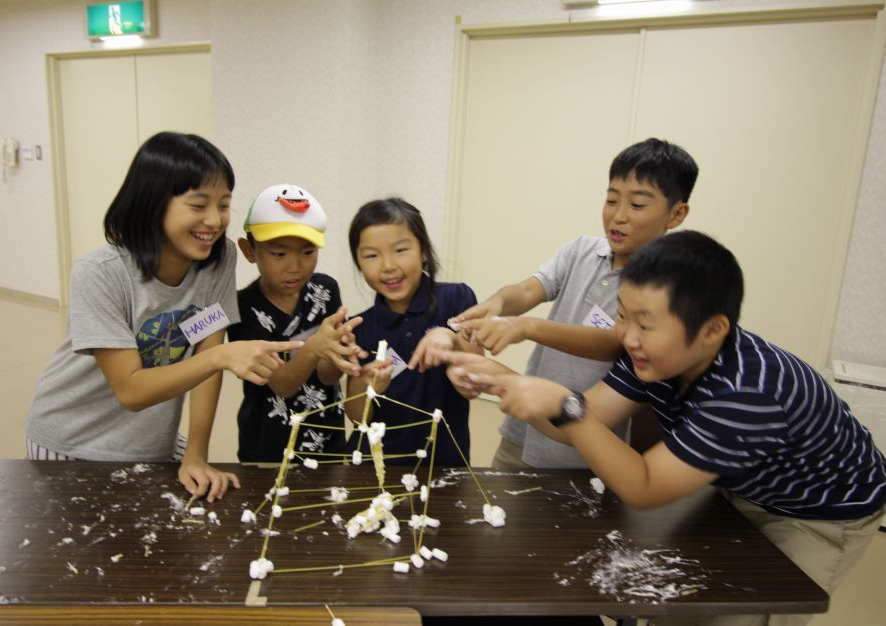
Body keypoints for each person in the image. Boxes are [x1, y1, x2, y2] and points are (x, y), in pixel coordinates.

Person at [446, 230, 886, 626]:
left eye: (646, 324)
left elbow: (644, 484)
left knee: (743, 614)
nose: (628, 337)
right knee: (681, 604)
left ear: (713, 329)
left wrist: (564, 405)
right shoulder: (653, 355)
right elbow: (585, 419)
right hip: (742, 485)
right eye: (623, 317)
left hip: (820, 512)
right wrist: (497, 377)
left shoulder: (746, 395)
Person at [25, 132, 299, 502]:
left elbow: (207, 361)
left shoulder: (218, 261)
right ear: (153, 204)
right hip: (70, 445)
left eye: (223, 204)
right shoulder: (101, 273)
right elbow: (132, 390)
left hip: (152, 444)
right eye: (198, 205)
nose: (214, 221)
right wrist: (219, 357)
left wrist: (197, 454)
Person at [452, 137, 697, 469]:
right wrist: (497, 303)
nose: (618, 216)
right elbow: (527, 290)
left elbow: (611, 343)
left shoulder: (661, 286)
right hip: (523, 426)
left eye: (637, 206)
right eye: (611, 200)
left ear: (676, 213)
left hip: (582, 446)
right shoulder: (582, 250)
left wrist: (525, 327)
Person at [228, 183, 364, 463]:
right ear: (249, 250)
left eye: (308, 252)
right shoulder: (243, 307)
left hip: (327, 439)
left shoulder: (325, 290)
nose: (295, 266)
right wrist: (316, 347)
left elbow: (328, 376)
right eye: (279, 254)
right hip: (268, 448)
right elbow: (281, 384)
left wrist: (339, 354)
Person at [346, 197, 483, 466]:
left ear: (422, 250)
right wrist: (365, 386)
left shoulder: (457, 300)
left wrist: (451, 340)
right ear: (359, 264)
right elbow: (356, 416)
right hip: (376, 467)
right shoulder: (360, 327)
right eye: (372, 256)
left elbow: (476, 383)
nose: (388, 266)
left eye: (400, 250)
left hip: (444, 464)